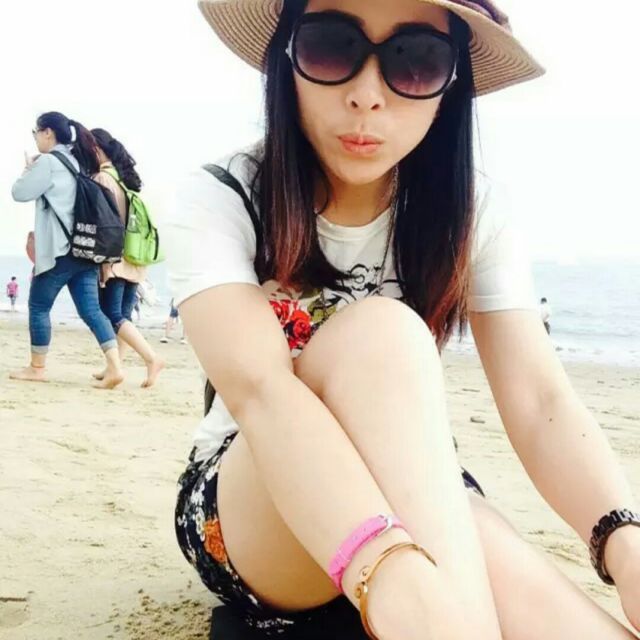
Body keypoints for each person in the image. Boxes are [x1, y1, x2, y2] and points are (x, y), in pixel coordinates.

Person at [167, 2, 640, 639]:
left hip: (412, 477)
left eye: (415, 61)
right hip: (255, 499)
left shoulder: (470, 212)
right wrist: (389, 570)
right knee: (383, 333)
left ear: (452, 85)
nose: (367, 95)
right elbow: (261, 391)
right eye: (331, 47)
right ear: (287, 58)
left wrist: (624, 544)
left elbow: (538, 400)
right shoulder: (225, 196)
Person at [9, 112, 123, 388]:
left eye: (36, 132)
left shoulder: (48, 162)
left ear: (47, 132)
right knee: (92, 310)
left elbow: (19, 192)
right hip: (84, 249)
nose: (35, 138)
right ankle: (115, 367)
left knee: (38, 306)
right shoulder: (75, 161)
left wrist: (28, 169)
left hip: (59, 251)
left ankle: (37, 368)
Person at [90, 128, 164, 388]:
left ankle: (152, 358)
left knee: (111, 314)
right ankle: (115, 366)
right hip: (135, 258)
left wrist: (102, 260)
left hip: (117, 257)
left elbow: (105, 223)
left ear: (96, 149)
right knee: (123, 315)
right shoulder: (125, 179)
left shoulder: (102, 178)